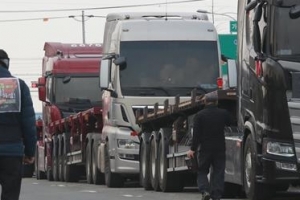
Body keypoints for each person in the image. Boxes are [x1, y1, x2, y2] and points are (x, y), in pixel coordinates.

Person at [0, 49, 37, 200]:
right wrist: (29, 152)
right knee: (10, 193)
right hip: (11, 153)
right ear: (7, 63)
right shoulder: (19, 86)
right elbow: (28, 123)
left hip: (12, 150)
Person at [187, 91, 234, 200]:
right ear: (216, 101)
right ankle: (216, 195)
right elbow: (231, 121)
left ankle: (205, 191)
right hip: (220, 148)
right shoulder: (223, 113)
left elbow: (196, 135)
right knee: (218, 171)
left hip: (205, 149)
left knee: (202, 171)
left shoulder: (200, 115)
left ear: (205, 101)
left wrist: (192, 149)